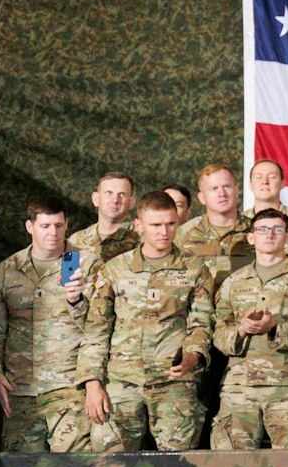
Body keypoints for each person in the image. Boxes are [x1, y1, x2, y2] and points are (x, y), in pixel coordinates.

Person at [79, 191, 214, 451]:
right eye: (155, 225)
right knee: (111, 461)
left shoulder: (195, 269)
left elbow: (201, 323)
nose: (164, 232)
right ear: (139, 225)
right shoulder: (115, 269)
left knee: (178, 464)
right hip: (121, 382)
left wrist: (193, 355)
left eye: (171, 223)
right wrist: (92, 383)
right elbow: (96, 329)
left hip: (173, 382)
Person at [0, 197, 115, 451]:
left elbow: (99, 329)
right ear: (29, 226)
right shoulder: (6, 271)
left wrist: (76, 301)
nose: (53, 233)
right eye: (45, 226)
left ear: (66, 225)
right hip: (21, 392)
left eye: (58, 225)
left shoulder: (85, 265)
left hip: (69, 388)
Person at [210, 208, 288, 450]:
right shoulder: (233, 281)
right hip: (238, 388)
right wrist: (241, 329)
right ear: (251, 238)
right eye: (262, 230)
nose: (270, 234)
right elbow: (219, 335)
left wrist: (274, 328)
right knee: (231, 463)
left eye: (277, 229)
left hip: (287, 386)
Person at [176, 163, 254, 285]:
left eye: (227, 186)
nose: (222, 193)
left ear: (237, 190)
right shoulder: (184, 233)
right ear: (202, 198)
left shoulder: (258, 231)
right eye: (214, 189)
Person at [68, 171, 138, 263]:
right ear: (96, 199)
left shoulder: (144, 239)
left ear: (132, 202)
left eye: (122, 194)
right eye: (109, 193)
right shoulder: (75, 241)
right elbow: (68, 272)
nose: (115, 200)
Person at [248, 158, 288, 229]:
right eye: (259, 177)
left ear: (282, 183)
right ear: (250, 184)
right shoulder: (239, 221)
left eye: (272, 177)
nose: (265, 181)